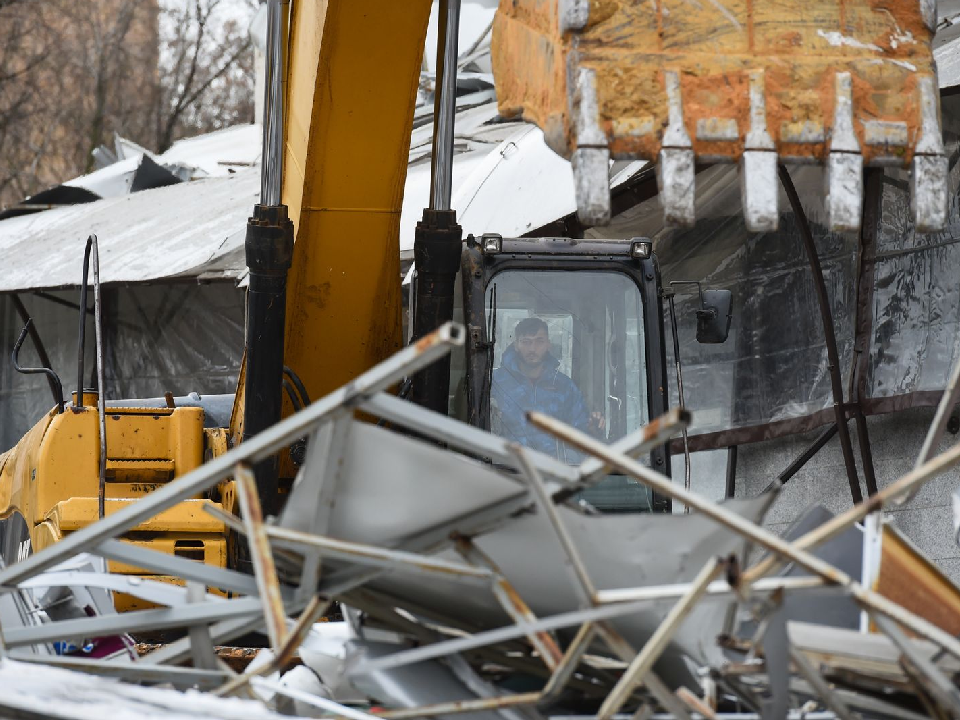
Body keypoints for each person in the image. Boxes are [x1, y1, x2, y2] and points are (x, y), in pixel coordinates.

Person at [491, 317, 604, 461]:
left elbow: (580, 433)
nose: (532, 348)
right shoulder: (495, 382)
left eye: (539, 341)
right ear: (516, 345)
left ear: (548, 344)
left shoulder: (564, 386)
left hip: (554, 471)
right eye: (526, 342)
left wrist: (591, 428)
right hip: (505, 469)